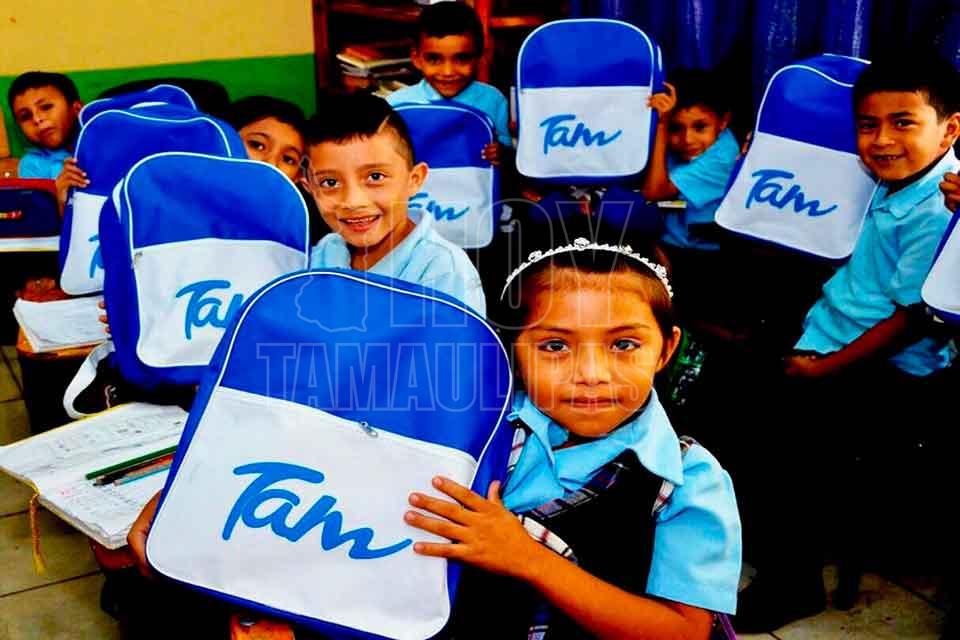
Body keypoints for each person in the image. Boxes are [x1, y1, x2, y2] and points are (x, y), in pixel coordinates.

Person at [404, 221, 742, 638]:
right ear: (514, 350)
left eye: (624, 345)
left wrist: (528, 558)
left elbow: (684, 631)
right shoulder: (473, 430)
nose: (591, 374)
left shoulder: (687, 481)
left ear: (665, 349)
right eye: (555, 346)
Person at [733, 51, 960, 633]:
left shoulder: (939, 207)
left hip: (888, 366)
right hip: (832, 329)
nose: (881, 140)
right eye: (868, 124)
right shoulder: (884, 178)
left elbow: (914, 320)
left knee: (789, 450)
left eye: (903, 123)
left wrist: (826, 368)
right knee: (735, 397)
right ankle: (755, 534)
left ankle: (793, 583)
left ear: (949, 130)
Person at [303, 93, 486, 314]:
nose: (353, 202)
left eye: (375, 177)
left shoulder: (444, 270)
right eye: (330, 182)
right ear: (310, 188)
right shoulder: (323, 253)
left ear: (414, 179)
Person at [641, 68, 741, 331]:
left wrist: (662, 126)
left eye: (700, 127)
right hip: (672, 245)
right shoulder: (693, 144)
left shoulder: (722, 155)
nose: (687, 140)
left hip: (705, 258)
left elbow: (655, 192)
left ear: (723, 122)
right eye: (676, 128)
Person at [386, 1, 511, 165]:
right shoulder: (397, 105)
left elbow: (506, 149)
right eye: (434, 59)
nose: (448, 72)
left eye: (462, 59)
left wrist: (501, 153)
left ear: (480, 57)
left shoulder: (493, 100)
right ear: (416, 58)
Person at [224, 95, 331, 246]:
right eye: (257, 145)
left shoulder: (309, 243)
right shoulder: (189, 207)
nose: (271, 164)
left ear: (298, 177)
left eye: (288, 159)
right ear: (223, 141)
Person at [8, 71, 88, 207]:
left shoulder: (102, 145)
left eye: (46, 107)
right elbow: (39, 217)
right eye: (25, 116)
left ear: (77, 109)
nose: (37, 119)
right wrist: (60, 198)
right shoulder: (32, 166)